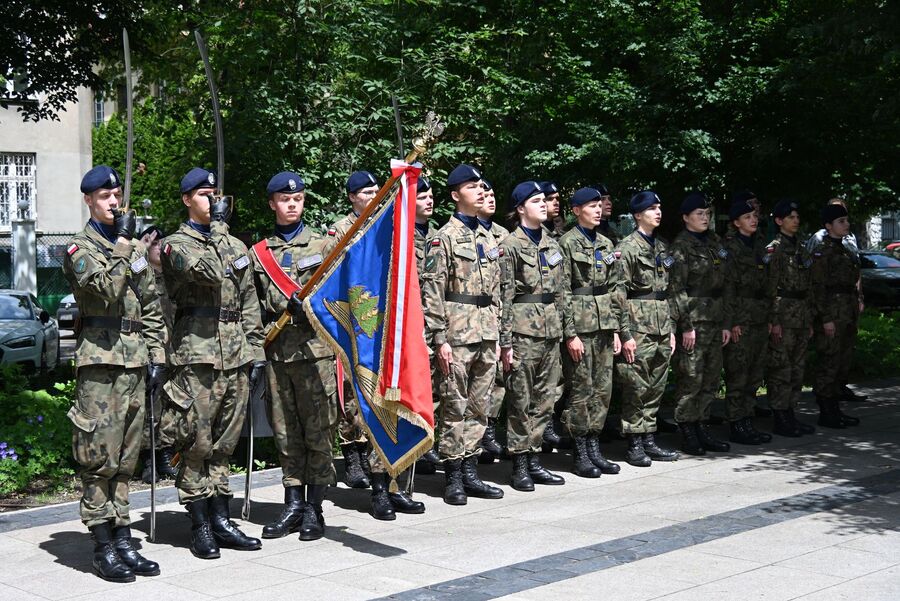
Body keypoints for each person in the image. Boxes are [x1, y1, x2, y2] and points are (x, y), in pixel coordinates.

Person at [63, 165, 166, 582]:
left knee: (126, 456)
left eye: (116, 194)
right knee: (98, 456)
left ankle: (123, 536)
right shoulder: (77, 248)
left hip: (135, 361)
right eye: (104, 196)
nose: (113, 201)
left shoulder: (135, 253)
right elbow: (103, 290)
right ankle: (102, 542)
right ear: (88, 200)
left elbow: (152, 303)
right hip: (100, 364)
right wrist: (125, 243)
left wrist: (156, 353)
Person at [160, 167, 265, 559]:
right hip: (196, 354)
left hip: (235, 353)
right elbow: (206, 272)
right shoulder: (176, 245)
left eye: (215, 193)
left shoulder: (237, 246)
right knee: (195, 442)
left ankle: (222, 517)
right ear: (187, 199)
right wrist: (219, 227)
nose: (212, 200)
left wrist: (256, 352)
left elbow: (249, 302)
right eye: (204, 194)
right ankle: (200, 523)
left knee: (224, 442)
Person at [250, 171, 339, 541]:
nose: (292, 203)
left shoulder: (324, 245)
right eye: (285, 199)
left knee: (319, 431)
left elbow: (341, 296)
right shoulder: (259, 254)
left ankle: (315, 508)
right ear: (272, 203)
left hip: (316, 352)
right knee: (286, 434)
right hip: (278, 353)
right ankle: (292, 504)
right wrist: (255, 353)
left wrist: (314, 308)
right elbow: (250, 307)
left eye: (298, 199)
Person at [421, 163, 505, 505]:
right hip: (457, 332)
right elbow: (433, 291)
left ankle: (471, 470)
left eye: (481, 186)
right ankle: (453, 473)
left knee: (479, 405)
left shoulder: (488, 237)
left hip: (486, 330)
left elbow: (498, 288)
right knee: (454, 404)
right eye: (472, 187)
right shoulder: (443, 237)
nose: (481, 191)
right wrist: (439, 338)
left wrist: (498, 333)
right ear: (456, 195)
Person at [498, 181, 567, 491]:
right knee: (521, 400)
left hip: (551, 330)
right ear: (520, 208)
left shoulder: (553, 244)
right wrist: (506, 342)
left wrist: (567, 330)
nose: (543, 204)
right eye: (535, 200)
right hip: (523, 332)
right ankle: (520, 464)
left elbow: (562, 292)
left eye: (544, 200)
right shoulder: (510, 245)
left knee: (546, 398)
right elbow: (505, 296)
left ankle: (536, 458)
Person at [611, 191, 679, 467]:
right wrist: (624, 333)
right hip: (638, 325)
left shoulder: (662, 247)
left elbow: (669, 291)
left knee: (656, 384)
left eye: (659, 207)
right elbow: (619, 293)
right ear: (638, 215)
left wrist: (672, 327)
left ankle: (649, 437)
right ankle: (634, 442)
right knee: (636, 384)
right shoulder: (626, 248)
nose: (658, 212)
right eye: (652, 208)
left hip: (661, 324)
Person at [558, 187, 622, 477]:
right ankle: (579, 450)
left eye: (600, 205)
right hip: (581, 327)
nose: (598, 210)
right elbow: (563, 291)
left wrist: (618, 329)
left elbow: (615, 289)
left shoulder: (607, 245)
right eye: (591, 206)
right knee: (581, 389)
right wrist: (570, 333)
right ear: (576, 210)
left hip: (604, 325)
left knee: (603, 388)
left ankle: (595, 447)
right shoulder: (566, 244)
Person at [325, 170, 380, 489]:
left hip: (377, 317)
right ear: (352, 197)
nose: (372, 196)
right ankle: (353, 455)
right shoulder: (341, 230)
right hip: (350, 317)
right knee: (350, 393)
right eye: (366, 192)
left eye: (376, 191)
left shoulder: (384, 226)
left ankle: (372, 452)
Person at [668, 193, 731, 456]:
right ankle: (687, 428)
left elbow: (726, 285)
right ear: (685, 218)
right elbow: (676, 290)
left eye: (707, 214)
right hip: (694, 321)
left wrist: (727, 322)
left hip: (715, 320)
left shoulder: (716, 243)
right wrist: (685, 325)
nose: (704, 218)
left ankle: (702, 426)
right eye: (699, 214)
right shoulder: (680, 247)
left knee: (710, 378)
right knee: (690, 378)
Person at [721, 199, 773, 445]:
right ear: (736, 222)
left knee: (754, 373)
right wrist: (731, 322)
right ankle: (735, 422)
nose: (753, 219)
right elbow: (728, 288)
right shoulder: (729, 248)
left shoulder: (760, 246)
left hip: (760, 317)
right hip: (740, 317)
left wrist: (771, 318)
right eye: (747, 216)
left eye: (754, 215)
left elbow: (769, 286)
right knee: (738, 373)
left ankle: (747, 419)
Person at [805, 198, 867, 403]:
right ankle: (826, 407)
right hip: (832, 312)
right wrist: (825, 318)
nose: (846, 224)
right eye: (841, 221)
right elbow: (817, 287)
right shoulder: (823, 251)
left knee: (842, 358)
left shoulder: (845, 250)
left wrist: (858, 300)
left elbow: (854, 280)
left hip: (847, 311)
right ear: (828, 226)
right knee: (829, 360)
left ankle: (835, 404)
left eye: (846, 220)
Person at [764, 200, 816, 437]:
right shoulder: (774, 249)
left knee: (797, 367)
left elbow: (810, 285)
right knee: (781, 368)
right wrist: (774, 320)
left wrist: (811, 318)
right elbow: (771, 288)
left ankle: (791, 412)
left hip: (802, 315)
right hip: (783, 315)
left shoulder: (803, 248)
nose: (796, 220)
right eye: (791, 217)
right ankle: (779, 415)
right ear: (779, 221)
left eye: (797, 217)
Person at [136, 225, 179, 484]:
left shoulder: (174, 277)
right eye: (153, 243)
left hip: (176, 349)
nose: (159, 248)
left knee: (172, 405)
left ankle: (167, 455)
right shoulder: (142, 275)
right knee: (151, 406)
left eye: (161, 243)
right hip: (150, 350)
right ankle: (150, 458)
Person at [476, 179, 509, 462]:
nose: (489, 199)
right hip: (470, 321)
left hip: (496, 314)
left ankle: (489, 431)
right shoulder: (456, 235)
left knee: (496, 379)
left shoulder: (502, 235)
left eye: (492, 193)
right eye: (483, 194)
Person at [413, 176, 441, 475]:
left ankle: (429, 445)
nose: (429, 200)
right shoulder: (400, 236)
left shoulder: (438, 236)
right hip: (412, 323)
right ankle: (416, 448)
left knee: (435, 389)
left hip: (435, 320)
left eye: (431, 196)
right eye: (422, 197)